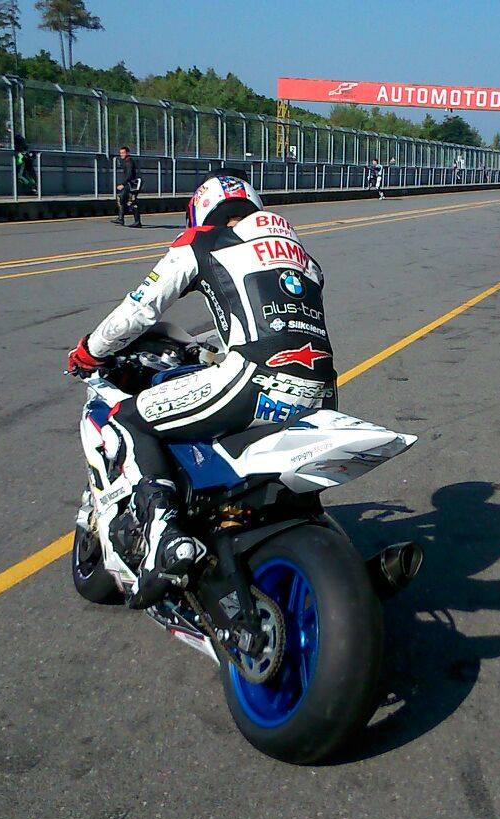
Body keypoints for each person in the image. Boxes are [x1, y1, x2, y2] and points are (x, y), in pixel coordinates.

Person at [65, 173, 334, 608]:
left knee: (128, 420)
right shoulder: (304, 258)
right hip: (321, 391)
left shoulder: (203, 240)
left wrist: (89, 351)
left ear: (200, 212)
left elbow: (140, 309)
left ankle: (165, 536)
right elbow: (272, 322)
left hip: (253, 379)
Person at [114, 145, 141, 227]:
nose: (121, 154)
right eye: (120, 153)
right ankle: (121, 219)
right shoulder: (126, 161)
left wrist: (123, 184)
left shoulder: (129, 162)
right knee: (121, 199)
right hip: (129, 184)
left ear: (127, 153)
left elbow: (129, 175)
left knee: (131, 201)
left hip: (132, 184)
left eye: (123, 153)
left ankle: (137, 222)